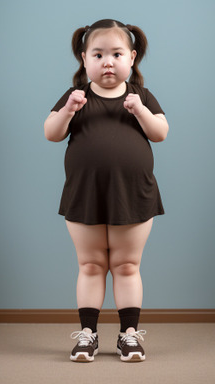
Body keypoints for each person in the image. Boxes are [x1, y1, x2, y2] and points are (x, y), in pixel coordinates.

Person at [44, 19, 169, 363]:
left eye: (116, 54)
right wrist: (69, 109)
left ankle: (129, 336)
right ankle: (89, 335)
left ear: (131, 57)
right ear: (85, 60)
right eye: (98, 54)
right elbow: (51, 133)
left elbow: (160, 132)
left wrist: (140, 110)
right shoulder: (77, 97)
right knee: (90, 264)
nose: (108, 61)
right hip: (84, 194)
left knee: (128, 265)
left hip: (133, 195)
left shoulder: (140, 95)